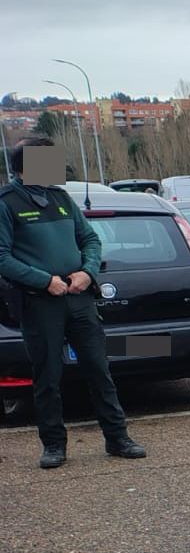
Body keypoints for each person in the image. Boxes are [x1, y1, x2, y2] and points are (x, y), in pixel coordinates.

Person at [0, 137, 145, 469]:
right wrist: (43, 280)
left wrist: (87, 272)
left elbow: (91, 239)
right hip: (40, 303)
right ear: (25, 165)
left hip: (78, 298)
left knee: (100, 369)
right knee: (48, 378)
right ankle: (53, 445)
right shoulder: (6, 203)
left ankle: (117, 438)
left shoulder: (61, 198)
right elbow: (2, 257)